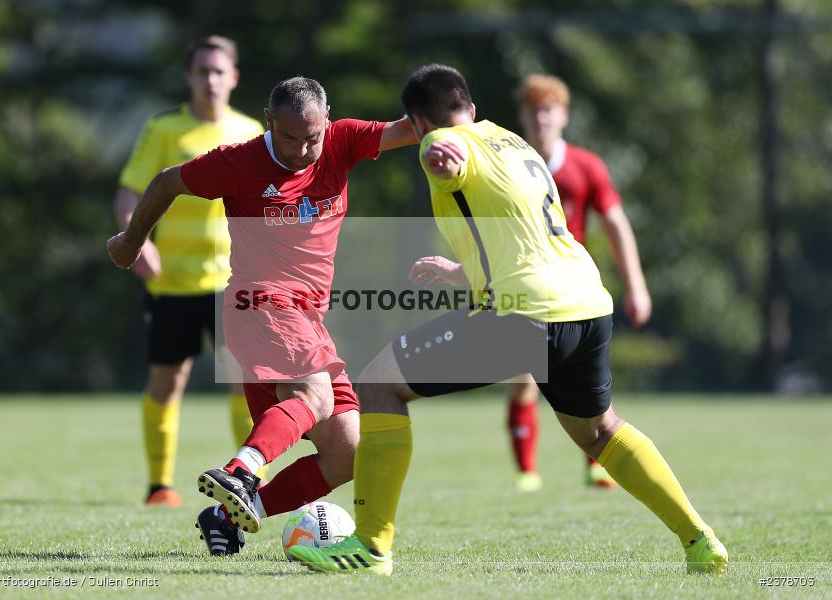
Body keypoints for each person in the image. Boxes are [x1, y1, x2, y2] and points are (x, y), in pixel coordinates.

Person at [289, 64, 727, 576]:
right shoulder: (512, 141)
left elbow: (442, 156)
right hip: (587, 304)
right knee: (600, 433)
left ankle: (370, 546)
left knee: (379, 384)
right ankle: (700, 539)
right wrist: (461, 270)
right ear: (471, 108)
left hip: (528, 317)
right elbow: (520, 233)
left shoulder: (442, 145)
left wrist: (438, 154)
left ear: (416, 121)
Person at [108, 76, 417, 555]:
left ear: (328, 117)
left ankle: (225, 517)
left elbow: (411, 129)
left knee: (348, 450)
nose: (303, 149)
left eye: (312, 135)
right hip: (261, 306)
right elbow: (169, 181)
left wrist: (468, 136)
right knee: (314, 395)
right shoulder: (239, 162)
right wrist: (132, 239)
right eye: (290, 137)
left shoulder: (344, 140)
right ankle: (239, 472)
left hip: (308, 320)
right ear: (269, 121)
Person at [115, 36, 264, 508]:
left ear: (234, 77)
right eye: (202, 71)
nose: (211, 80)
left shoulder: (251, 129)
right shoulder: (164, 129)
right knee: (168, 380)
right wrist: (136, 240)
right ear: (189, 77)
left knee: (247, 381)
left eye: (219, 71)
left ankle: (247, 477)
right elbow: (128, 194)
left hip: (234, 282)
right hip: (173, 282)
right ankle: (160, 485)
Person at [507, 74, 652, 492]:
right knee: (522, 378)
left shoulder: (586, 166)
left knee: (587, 379)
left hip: (572, 286)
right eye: (533, 109)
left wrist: (637, 285)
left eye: (548, 109)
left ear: (564, 116)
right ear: (523, 116)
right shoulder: (509, 163)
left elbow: (616, 224)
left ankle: (596, 464)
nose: (540, 117)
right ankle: (526, 472)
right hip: (524, 284)